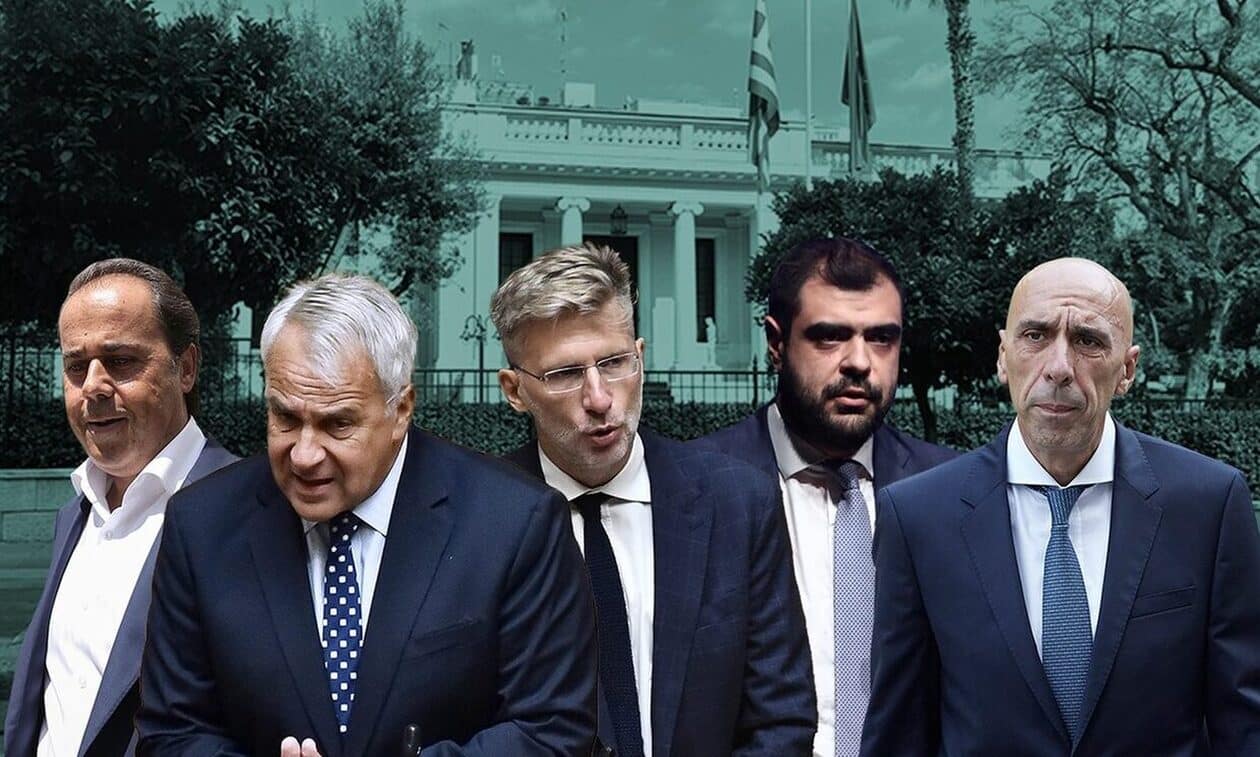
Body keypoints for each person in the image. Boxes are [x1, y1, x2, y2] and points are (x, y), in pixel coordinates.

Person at [136, 274, 597, 756]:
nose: (304, 455)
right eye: (285, 418)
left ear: (401, 410)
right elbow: (172, 732)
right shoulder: (201, 525)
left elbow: (549, 729)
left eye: (338, 424)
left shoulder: (515, 523)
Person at [861, 257, 1260, 755]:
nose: (1059, 367)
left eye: (1088, 341)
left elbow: (1245, 726)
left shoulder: (1208, 505)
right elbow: (899, 732)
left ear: (1127, 369)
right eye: (1035, 335)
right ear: (1003, 357)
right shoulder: (918, 517)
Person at [492, 244, 816, 757]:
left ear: (640, 356)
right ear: (514, 390)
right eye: (565, 375)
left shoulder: (739, 503)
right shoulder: (479, 519)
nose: (599, 398)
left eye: (615, 363)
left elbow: (781, 718)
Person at [699, 236, 955, 756]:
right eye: (830, 337)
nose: (859, 361)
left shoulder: (950, 490)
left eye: (881, 339)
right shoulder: (697, 489)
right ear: (776, 343)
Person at [4, 258, 238, 757]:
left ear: (186, 367)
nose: (92, 385)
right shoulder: (75, 515)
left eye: (121, 360)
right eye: (76, 366)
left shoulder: (255, 514)